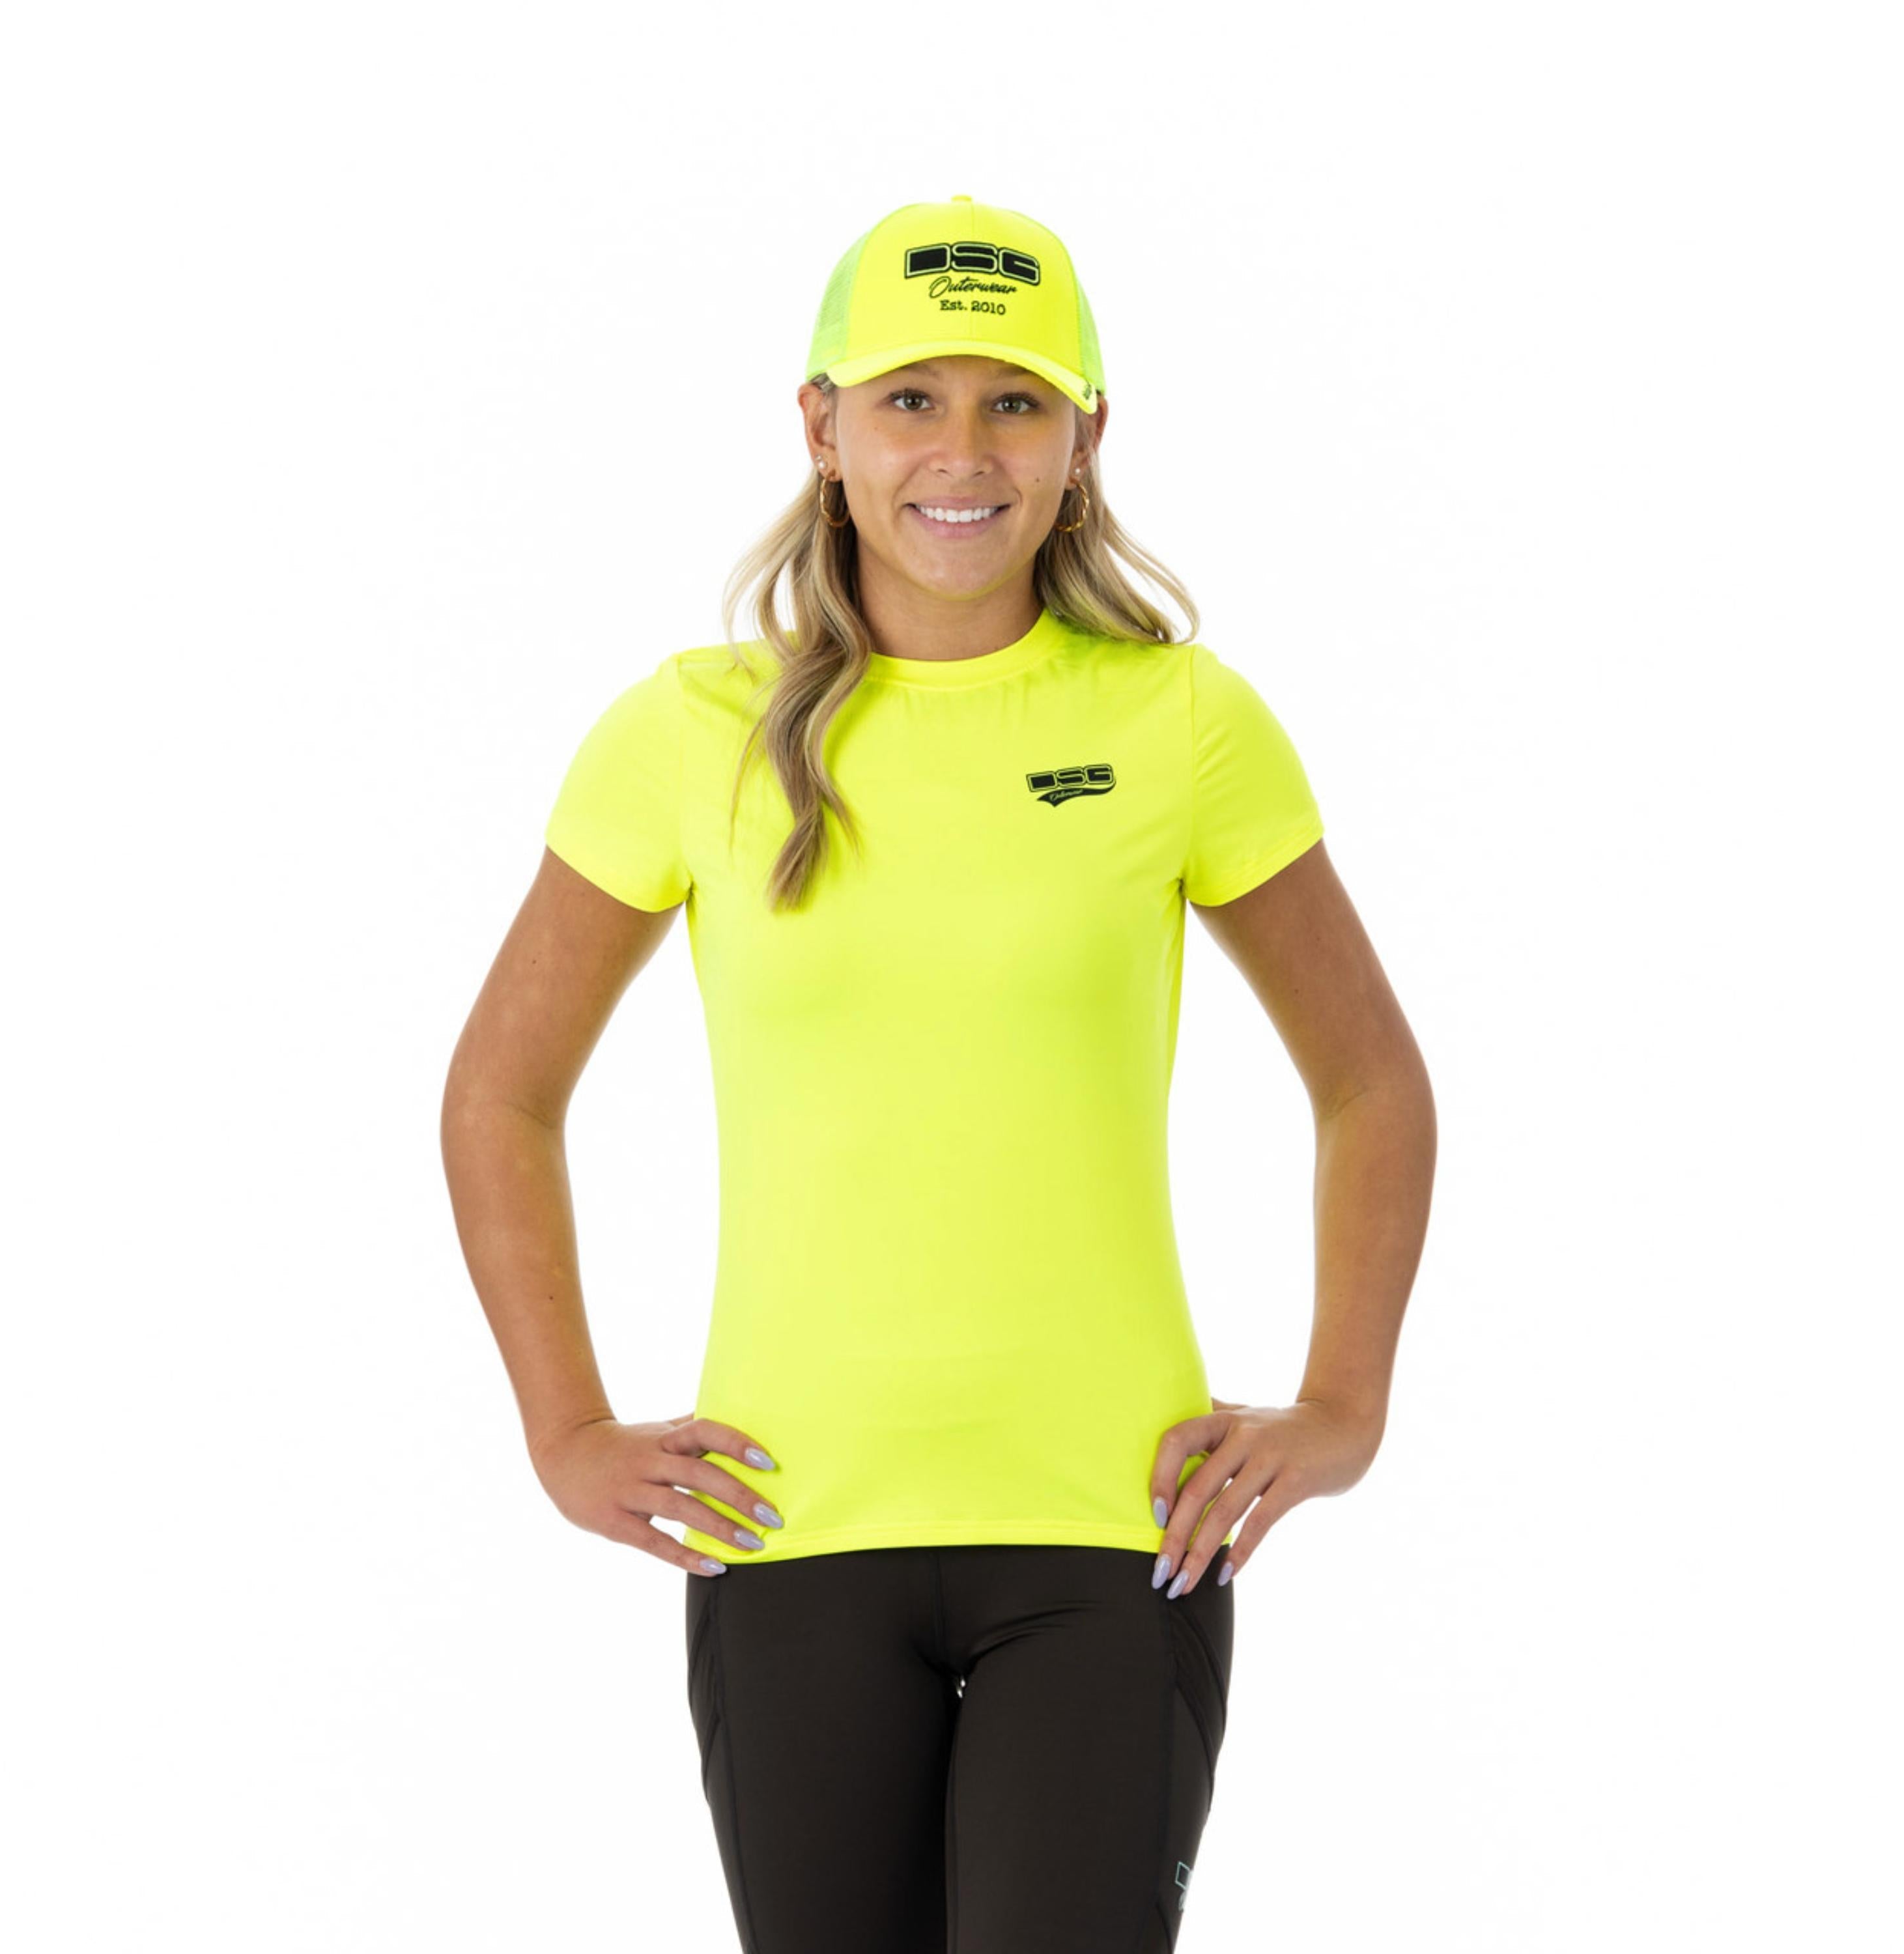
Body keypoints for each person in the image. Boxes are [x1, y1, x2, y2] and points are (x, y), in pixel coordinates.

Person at [441, 193, 1436, 1953]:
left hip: (1113, 1536)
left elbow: (1370, 1082)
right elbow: (499, 1096)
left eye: (1015, 402)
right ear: (821, 427)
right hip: (788, 1529)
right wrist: (567, 1429)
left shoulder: (1179, 723)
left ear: (1085, 438)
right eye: (910, 399)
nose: (962, 452)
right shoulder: (687, 732)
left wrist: (1341, 1407)